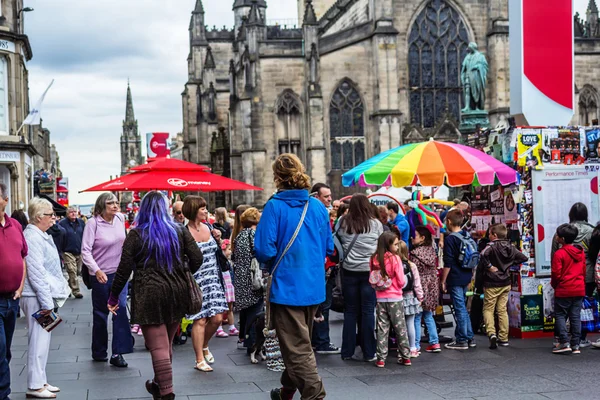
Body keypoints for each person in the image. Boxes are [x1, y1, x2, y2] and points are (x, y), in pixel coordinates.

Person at [107, 192, 204, 400]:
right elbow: (197, 258)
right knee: (166, 344)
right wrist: (183, 271)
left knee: (158, 346)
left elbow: (123, 270)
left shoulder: (136, 234)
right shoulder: (179, 230)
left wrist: (113, 296)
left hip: (149, 293)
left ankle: (167, 393)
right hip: (177, 291)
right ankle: (159, 385)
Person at [254, 153, 333, 400]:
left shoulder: (274, 206)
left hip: (287, 287)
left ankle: (314, 396)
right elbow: (329, 247)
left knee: (298, 349)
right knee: (298, 343)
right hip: (314, 286)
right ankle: (286, 391)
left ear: (277, 177)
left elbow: (265, 249)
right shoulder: (318, 206)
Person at [21, 197, 70, 399]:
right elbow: (36, 273)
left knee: (43, 338)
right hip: (35, 295)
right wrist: (47, 303)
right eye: (50, 214)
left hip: (40, 294)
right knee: (38, 340)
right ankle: (34, 384)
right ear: (39, 216)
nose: (54, 218)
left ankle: (40, 380)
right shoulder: (32, 237)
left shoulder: (38, 235)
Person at [81, 193, 133, 367]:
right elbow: (86, 251)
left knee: (121, 309)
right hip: (100, 274)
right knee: (101, 313)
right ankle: (99, 350)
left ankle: (118, 353)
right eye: (110, 203)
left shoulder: (120, 218)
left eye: (116, 202)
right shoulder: (92, 223)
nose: (115, 205)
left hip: (120, 273)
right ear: (102, 206)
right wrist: (96, 270)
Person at [183, 195, 228, 372]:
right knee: (200, 319)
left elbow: (218, 252)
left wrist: (217, 239)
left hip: (213, 279)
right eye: (202, 208)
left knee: (217, 318)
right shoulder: (184, 231)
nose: (206, 211)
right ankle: (199, 359)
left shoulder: (209, 227)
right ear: (194, 210)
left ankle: (204, 344)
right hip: (196, 281)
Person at [337, 194, 383, 362]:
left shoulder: (343, 222)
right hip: (368, 270)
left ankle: (347, 351)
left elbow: (338, 240)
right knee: (368, 310)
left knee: (350, 311)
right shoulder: (375, 224)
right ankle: (369, 352)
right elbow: (380, 244)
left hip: (349, 269)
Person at [476, 224, 527, 350]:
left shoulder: (491, 246)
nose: (488, 236)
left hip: (491, 282)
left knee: (488, 309)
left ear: (495, 235)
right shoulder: (510, 246)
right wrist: (508, 264)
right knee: (502, 310)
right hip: (505, 282)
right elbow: (523, 257)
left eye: (490, 234)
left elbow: (482, 255)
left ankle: (492, 333)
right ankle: (503, 338)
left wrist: (489, 267)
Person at [550, 203, 594, 347]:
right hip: (585, 275)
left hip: (563, 278)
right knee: (581, 309)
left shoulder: (562, 232)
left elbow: (554, 256)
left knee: (561, 311)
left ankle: (561, 339)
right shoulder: (591, 231)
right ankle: (580, 339)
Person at [0, 183, 28, 400]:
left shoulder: (16, 225)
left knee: (6, 351)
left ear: (5, 200)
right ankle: (4, 394)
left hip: (12, 299)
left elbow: (22, 257)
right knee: (0, 351)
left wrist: (20, 287)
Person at [371, 232, 412, 367]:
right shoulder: (395, 259)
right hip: (395, 297)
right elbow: (400, 280)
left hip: (380, 298)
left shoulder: (374, 258)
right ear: (388, 244)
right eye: (395, 244)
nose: (397, 246)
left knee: (382, 328)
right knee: (400, 327)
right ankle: (405, 356)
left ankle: (381, 358)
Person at [310, 182, 340, 355]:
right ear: (316, 196)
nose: (330, 199)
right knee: (324, 305)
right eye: (326, 196)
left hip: (314, 266)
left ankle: (316, 340)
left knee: (316, 305)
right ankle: (322, 341)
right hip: (322, 266)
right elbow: (328, 246)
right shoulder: (322, 215)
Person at [441, 209, 475, 350]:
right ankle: (469, 337)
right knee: (463, 308)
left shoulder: (450, 239)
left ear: (449, 221)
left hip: (455, 276)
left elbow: (448, 262)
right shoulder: (467, 235)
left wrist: (443, 280)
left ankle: (462, 340)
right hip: (466, 274)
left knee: (459, 308)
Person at [232, 208, 263, 351]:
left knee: (247, 310)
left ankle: (246, 340)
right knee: (255, 310)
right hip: (252, 277)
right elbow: (260, 252)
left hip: (241, 277)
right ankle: (252, 343)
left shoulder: (239, 235)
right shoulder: (254, 234)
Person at [551, 223, 586, 354]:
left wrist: (555, 285)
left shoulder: (559, 254)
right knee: (575, 316)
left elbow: (556, 273)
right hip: (579, 288)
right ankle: (576, 344)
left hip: (564, 288)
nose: (556, 238)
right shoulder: (580, 252)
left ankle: (564, 342)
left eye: (558, 236)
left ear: (563, 239)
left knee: (560, 315)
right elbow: (583, 270)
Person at [411, 226, 441, 353]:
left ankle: (416, 344)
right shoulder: (432, 251)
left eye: (415, 235)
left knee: (417, 316)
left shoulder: (414, 254)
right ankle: (435, 342)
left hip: (420, 287)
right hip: (432, 286)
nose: (412, 238)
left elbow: (412, 272)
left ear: (422, 238)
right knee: (428, 315)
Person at [397, 240, 423, 358]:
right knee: (410, 323)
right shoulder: (412, 265)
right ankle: (412, 347)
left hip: (397, 297)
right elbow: (417, 283)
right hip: (410, 297)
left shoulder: (394, 265)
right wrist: (420, 296)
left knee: (399, 325)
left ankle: (401, 348)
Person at [59, 206, 86, 299]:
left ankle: (67, 287)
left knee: (77, 271)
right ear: (67, 213)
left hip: (79, 251)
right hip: (67, 251)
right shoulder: (62, 223)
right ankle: (76, 291)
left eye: (75, 211)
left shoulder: (81, 223)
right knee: (72, 270)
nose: (73, 213)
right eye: (71, 212)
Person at [215, 239, 238, 338]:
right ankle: (219, 328)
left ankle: (232, 327)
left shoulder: (228, 262)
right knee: (221, 309)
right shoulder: (220, 262)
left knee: (230, 308)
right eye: (228, 249)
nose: (230, 252)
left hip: (228, 287)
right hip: (223, 286)